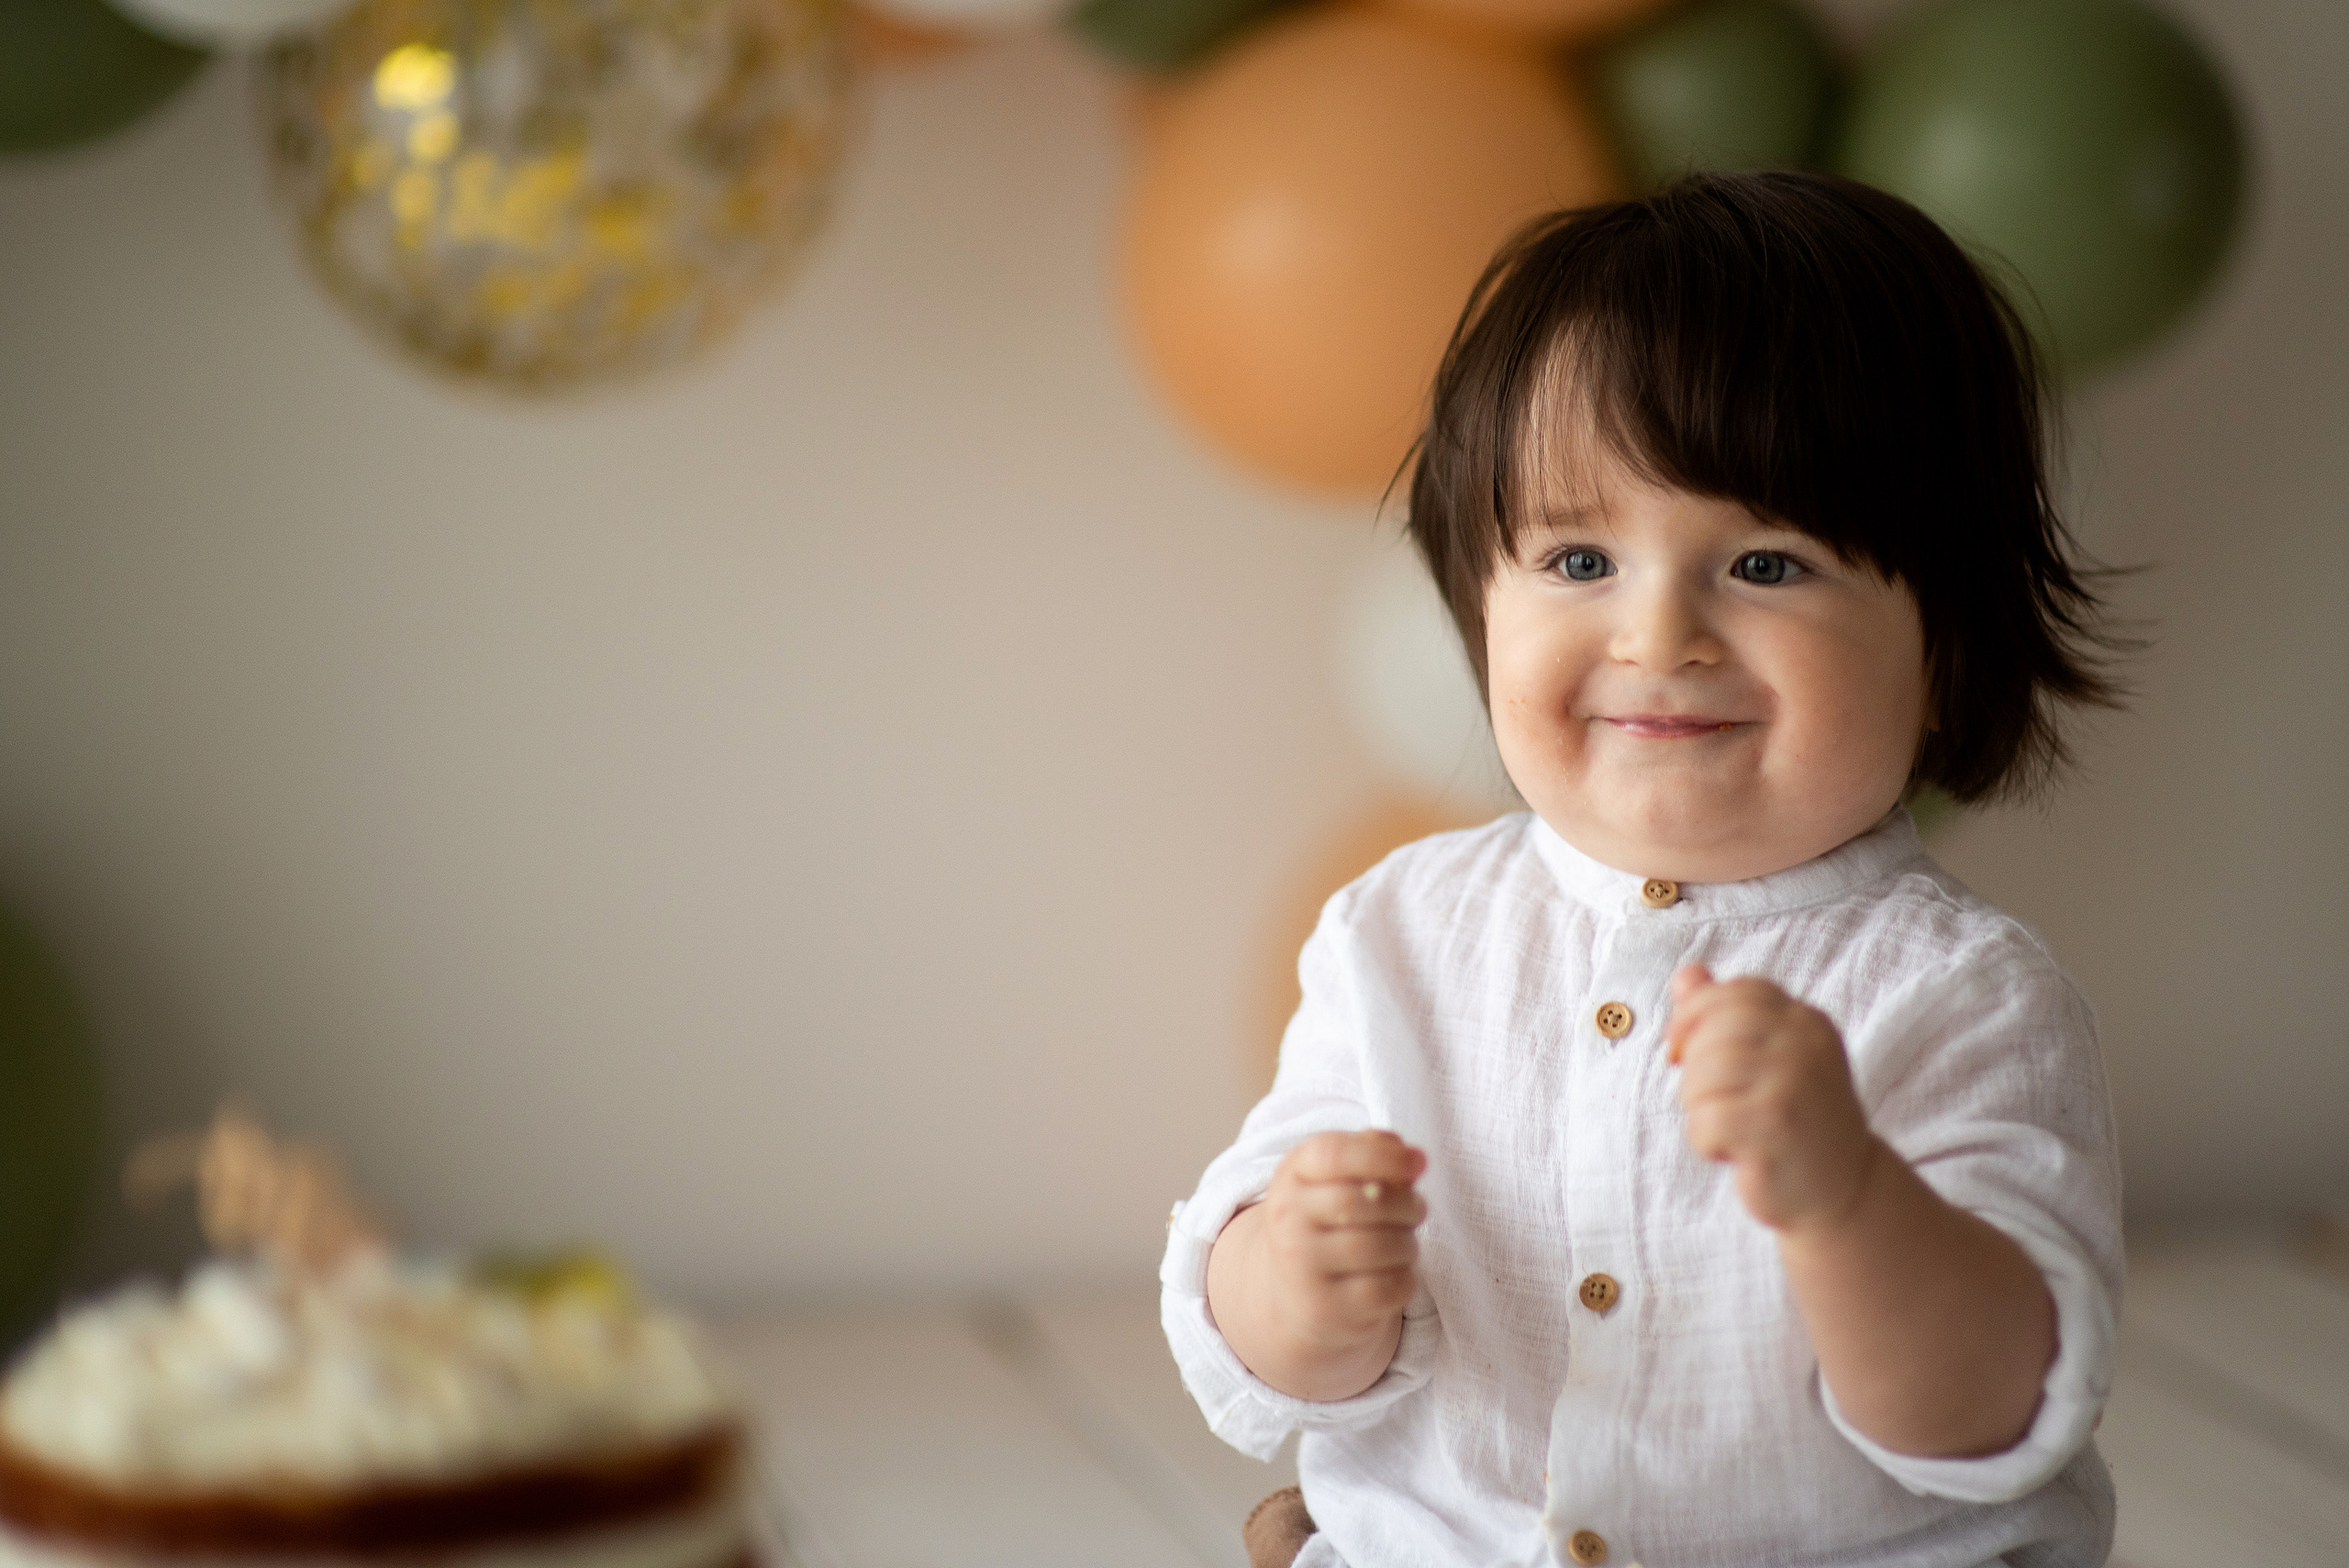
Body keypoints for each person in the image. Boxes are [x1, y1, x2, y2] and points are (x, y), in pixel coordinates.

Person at [1162, 171, 2128, 1568]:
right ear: (1473, 603)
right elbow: (1252, 1334)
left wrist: (1851, 1196)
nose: (1659, 630)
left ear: (1948, 655)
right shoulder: (1403, 932)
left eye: (1768, 564)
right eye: (1577, 554)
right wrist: (1296, 1277)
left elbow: (1997, 1411)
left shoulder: (1967, 995)